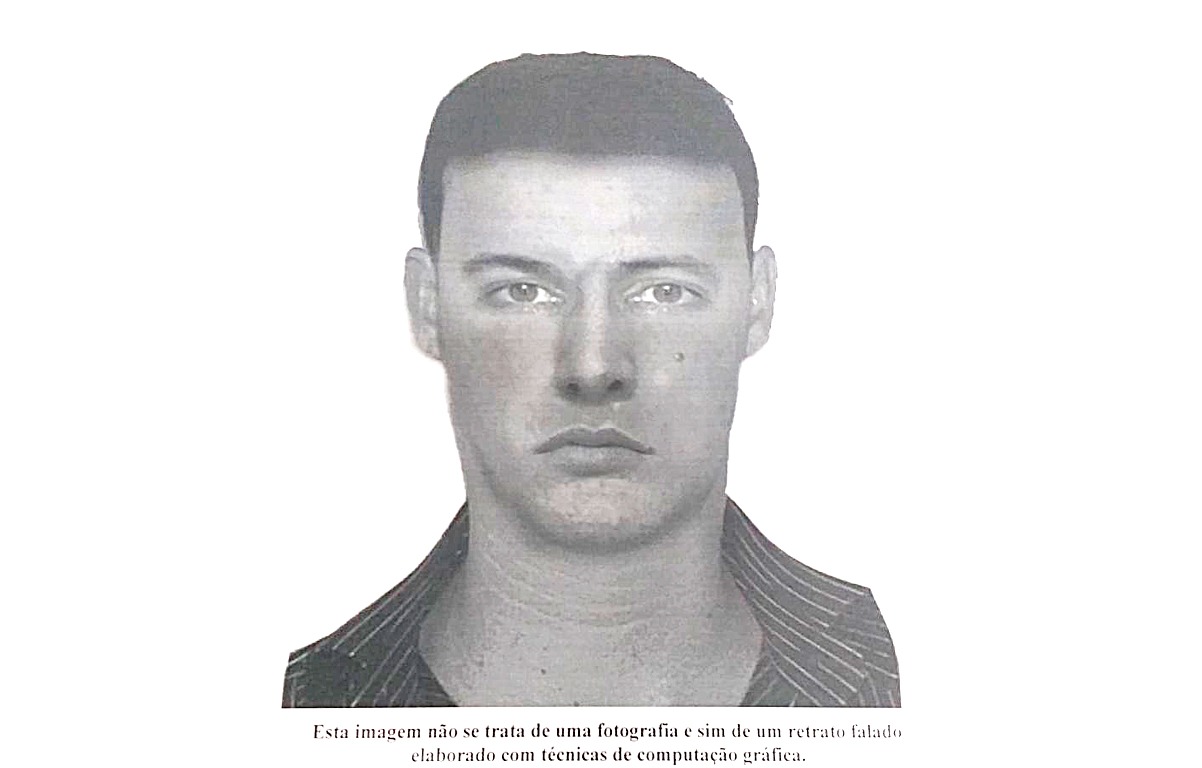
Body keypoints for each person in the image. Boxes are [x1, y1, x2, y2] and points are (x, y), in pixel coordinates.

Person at [282, 52, 900, 707]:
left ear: (758, 302)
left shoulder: (915, 668)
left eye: (664, 292)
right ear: (427, 305)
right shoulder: (299, 707)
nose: (593, 366)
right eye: (522, 291)